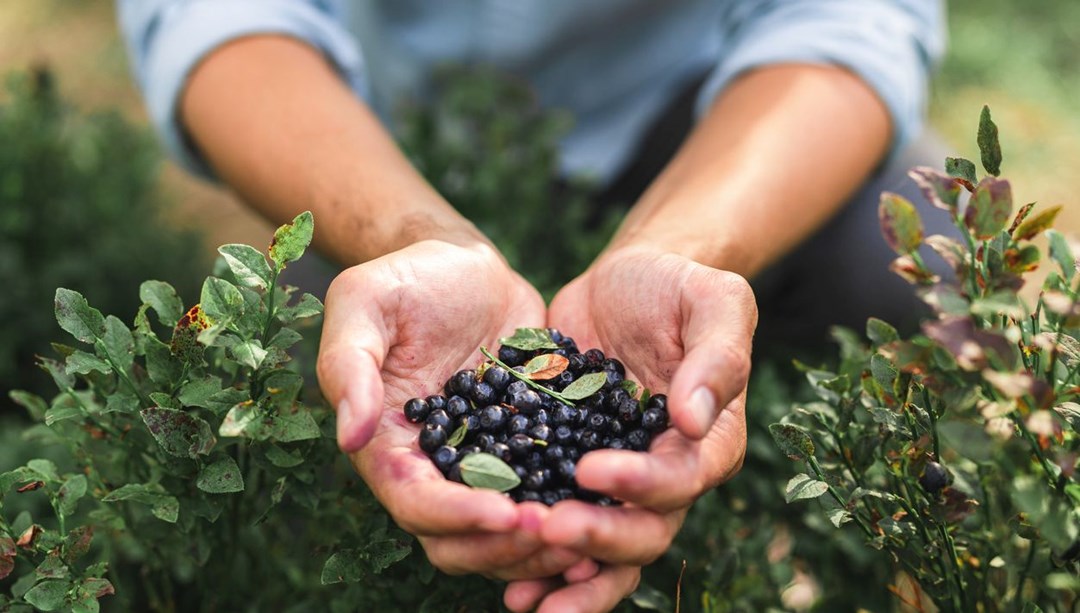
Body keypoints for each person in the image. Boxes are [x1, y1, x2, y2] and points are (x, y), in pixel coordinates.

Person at [118, 2, 946, 611]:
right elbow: (216, 18)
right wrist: (409, 237)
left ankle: (804, 553)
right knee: (311, 398)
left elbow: (845, 20)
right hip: (375, 149)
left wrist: (680, 249)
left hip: (701, 129)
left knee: (916, 247)